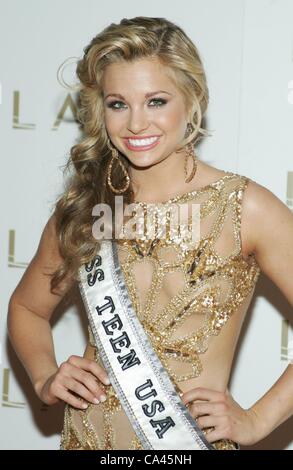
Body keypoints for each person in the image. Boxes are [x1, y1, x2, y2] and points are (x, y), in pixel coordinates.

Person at [7, 16, 293, 451]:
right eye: (118, 103)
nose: (136, 123)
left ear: (192, 99)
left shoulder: (244, 207)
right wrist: (46, 376)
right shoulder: (90, 206)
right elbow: (27, 307)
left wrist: (257, 420)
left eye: (156, 101)